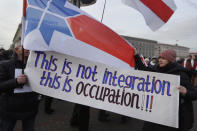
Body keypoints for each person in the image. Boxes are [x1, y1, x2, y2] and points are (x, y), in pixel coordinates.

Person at [135, 49, 197, 131]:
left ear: (170, 60)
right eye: (159, 57)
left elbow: (194, 94)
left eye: (163, 58)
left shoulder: (180, 74)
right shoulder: (157, 69)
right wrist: (136, 56)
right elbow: (144, 69)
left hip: (172, 116)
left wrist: (185, 92)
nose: (160, 60)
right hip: (155, 111)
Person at [0, 41, 40, 131]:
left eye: (30, 47)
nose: (28, 49)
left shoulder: (37, 67)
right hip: (10, 110)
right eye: (25, 47)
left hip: (30, 109)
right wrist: (16, 81)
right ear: (16, 50)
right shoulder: (5, 65)